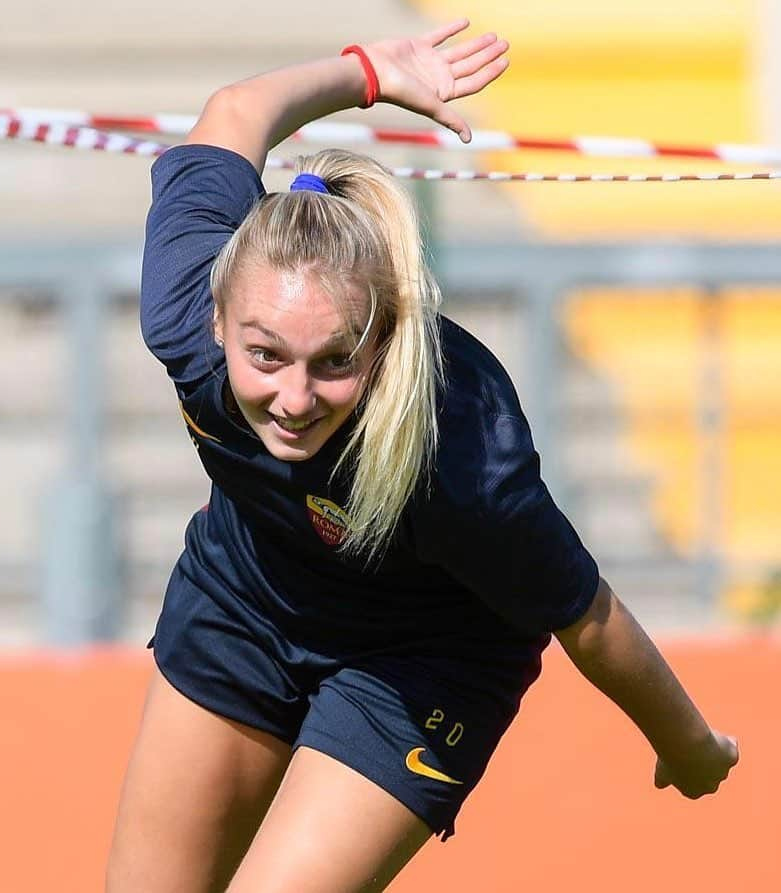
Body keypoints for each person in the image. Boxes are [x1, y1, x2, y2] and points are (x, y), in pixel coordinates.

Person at [106, 19, 739, 893]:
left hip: (417, 659)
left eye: (334, 362)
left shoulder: (457, 451)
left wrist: (687, 741)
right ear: (216, 321)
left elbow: (586, 617)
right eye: (263, 357)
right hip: (246, 598)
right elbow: (235, 109)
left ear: (381, 340)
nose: (292, 399)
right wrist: (365, 71)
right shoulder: (185, 306)